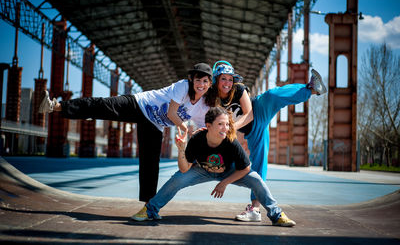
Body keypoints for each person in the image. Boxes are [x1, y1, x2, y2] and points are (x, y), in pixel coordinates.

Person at [38, 63, 215, 203]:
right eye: (198, 80)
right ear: (192, 79)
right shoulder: (183, 86)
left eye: (206, 81)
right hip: (139, 104)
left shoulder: (204, 106)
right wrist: (183, 127)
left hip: (154, 124)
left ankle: (148, 205)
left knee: (150, 162)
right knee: (103, 106)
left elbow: (204, 129)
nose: (201, 85)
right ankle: (57, 106)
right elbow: (171, 113)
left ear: (210, 84)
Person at [131, 107, 296, 227]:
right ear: (208, 125)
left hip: (228, 171)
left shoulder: (231, 141)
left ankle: (277, 214)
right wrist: (181, 149)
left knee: (256, 179)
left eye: (227, 124)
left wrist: (224, 183)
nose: (225, 128)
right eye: (220, 124)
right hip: (202, 170)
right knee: (177, 179)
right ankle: (150, 210)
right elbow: (184, 169)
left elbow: (245, 168)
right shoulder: (197, 140)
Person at [211, 60, 327, 222]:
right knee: (257, 165)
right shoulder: (212, 97)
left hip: (258, 110)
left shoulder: (238, 89)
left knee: (272, 95)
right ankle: (255, 210)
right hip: (253, 132)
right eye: (224, 79)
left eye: (230, 79)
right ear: (216, 80)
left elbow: (249, 114)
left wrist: (232, 128)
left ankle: (312, 89)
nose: (228, 83)